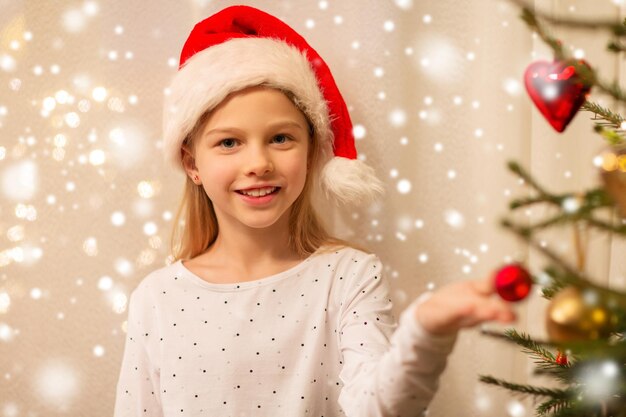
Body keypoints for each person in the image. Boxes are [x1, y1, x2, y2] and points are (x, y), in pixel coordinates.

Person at [114, 5, 516, 417]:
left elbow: (376, 408)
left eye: (281, 138)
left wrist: (425, 334)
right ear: (192, 164)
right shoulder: (157, 298)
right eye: (229, 143)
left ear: (311, 151)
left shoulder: (349, 278)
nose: (259, 163)